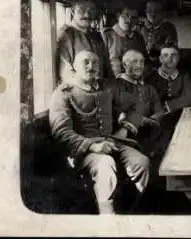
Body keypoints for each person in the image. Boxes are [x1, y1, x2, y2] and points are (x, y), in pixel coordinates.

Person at [49, 50, 153, 214]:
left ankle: (129, 212)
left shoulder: (107, 88)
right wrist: (93, 147)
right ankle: (108, 219)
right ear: (75, 66)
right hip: (83, 150)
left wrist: (125, 129)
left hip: (113, 142)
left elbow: (139, 106)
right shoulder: (63, 93)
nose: (91, 66)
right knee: (106, 165)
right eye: (86, 62)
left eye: (95, 62)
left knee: (141, 163)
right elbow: (61, 132)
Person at [55, 0, 110, 83]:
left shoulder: (96, 35)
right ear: (72, 12)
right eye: (82, 10)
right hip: (79, 89)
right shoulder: (66, 35)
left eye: (91, 11)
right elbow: (66, 72)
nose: (87, 15)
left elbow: (104, 66)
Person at [146, 44, 191, 114]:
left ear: (178, 58)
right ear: (160, 59)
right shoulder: (151, 77)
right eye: (165, 55)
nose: (170, 59)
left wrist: (167, 106)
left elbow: (189, 98)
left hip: (180, 115)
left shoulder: (184, 75)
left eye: (173, 55)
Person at [102, 7, 148, 77]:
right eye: (126, 15)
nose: (129, 20)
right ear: (118, 16)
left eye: (133, 17)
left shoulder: (138, 37)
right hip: (114, 80)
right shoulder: (107, 35)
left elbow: (145, 59)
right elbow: (102, 63)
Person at [139, 1, 178, 66]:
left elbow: (172, 50)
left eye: (157, 11)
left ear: (162, 13)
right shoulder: (140, 27)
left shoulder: (169, 28)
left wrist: (155, 45)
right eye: (149, 11)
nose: (153, 14)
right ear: (145, 12)